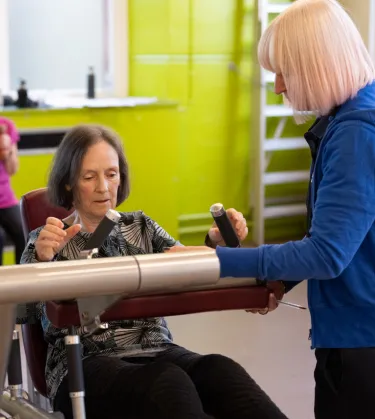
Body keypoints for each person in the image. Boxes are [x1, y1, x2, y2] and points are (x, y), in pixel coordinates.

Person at [171, 0, 375, 418]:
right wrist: (279, 279)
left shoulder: (356, 132)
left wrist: (219, 261)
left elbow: (327, 253)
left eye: (285, 72)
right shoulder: (351, 120)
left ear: (317, 65)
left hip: (361, 342)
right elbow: (342, 237)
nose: (279, 86)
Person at [18, 124, 288, 419]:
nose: (103, 187)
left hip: (157, 349)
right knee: (168, 382)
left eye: (111, 174)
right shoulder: (46, 240)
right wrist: (42, 262)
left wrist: (214, 243)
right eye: (89, 177)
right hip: (85, 362)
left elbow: (182, 264)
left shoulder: (141, 227)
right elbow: (23, 314)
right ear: (69, 182)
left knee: (221, 370)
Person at [0, 118, 25, 264]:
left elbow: (12, 169)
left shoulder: (6, 125)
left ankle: (22, 279)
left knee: (24, 233)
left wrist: (7, 150)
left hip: (5, 198)